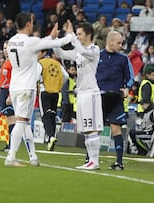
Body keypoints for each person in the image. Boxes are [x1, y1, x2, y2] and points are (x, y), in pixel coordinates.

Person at [4, 12, 75, 167]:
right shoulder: (29, 42)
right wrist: (69, 35)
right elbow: (52, 44)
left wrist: (51, 37)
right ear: (28, 24)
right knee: (21, 122)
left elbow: (43, 43)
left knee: (24, 121)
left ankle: (33, 156)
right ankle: (11, 157)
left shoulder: (12, 41)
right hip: (26, 87)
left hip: (14, 86)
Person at [53, 22, 103, 170]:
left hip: (91, 93)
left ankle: (95, 161)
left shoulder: (94, 49)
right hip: (81, 93)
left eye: (80, 34)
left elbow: (80, 49)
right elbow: (60, 53)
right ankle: (90, 160)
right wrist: (55, 40)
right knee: (86, 129)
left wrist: (71, 36)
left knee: (92, 128)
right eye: (77, 34)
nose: (78, 36)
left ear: (88, 35)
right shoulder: (79, 52)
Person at [96, 30, 135, 170]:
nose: (121, 46)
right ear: (110, 42)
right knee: (95, 129)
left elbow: (130, 77)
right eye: (118, 43)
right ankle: (91, 158)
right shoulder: (97, 55)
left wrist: (127, 88)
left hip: (115, 98)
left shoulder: (123, 59)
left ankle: (119, 162)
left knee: (115, 128)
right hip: (98, 97)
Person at [38, 49, 68, 151]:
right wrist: (58, 86)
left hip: (44, 91)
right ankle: (52, 138)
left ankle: (50, 137)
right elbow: (66, 76)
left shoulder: (40, 63)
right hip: (55, 93)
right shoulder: (57, 64)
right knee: (52, 115)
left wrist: (39, 85)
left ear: (43, 53)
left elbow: (35, 77)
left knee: (45, 116)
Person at [0, 41, 14, 151]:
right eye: (4, 48)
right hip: (3, 90)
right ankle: (8, 144)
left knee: (11, 118)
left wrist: (10, 95)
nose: (5, 50)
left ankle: (11, 145)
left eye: (7, 48)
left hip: (8, 91)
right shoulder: (6, 62)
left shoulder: (13, 63)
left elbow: (13, 80)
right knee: (7, 118)